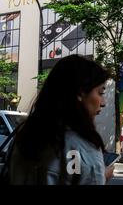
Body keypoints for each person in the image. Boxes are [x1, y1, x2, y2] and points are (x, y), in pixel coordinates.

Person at [7, 55, 114, 185]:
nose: (103, 103)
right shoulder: (82, 146)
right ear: (80, 93)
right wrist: (99, 177)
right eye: (100, 93)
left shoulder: (22, 138)